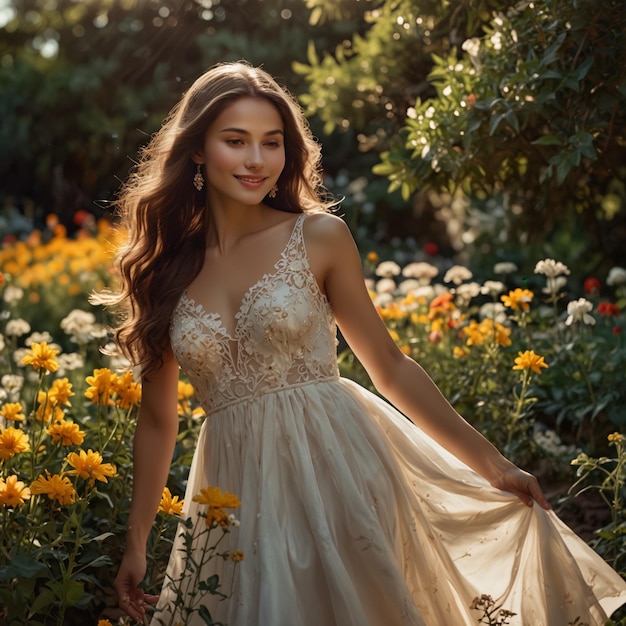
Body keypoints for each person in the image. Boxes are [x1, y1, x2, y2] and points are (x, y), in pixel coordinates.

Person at [104, 61, 626, 626]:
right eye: (236, 141)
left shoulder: (318, 237)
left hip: (339, 468)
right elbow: (156, 421)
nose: (256, 160)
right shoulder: (163, 271)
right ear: (198, 150)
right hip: (232, 489)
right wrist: (137, 542)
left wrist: (493, 464)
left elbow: (390, 365)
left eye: (271, 143)